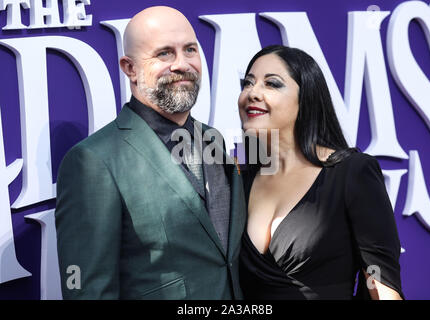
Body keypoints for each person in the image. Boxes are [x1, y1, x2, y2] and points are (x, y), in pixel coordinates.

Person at [55, 6, 245, 300]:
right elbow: (86, 289)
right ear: (129, 68)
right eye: (164, 53)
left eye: (190, 50)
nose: (183, 64)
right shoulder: (93, 162)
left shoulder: (213, 139)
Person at [237, 45, 404, 300]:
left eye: (271, 84)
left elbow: (381, 286)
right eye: (247, 83)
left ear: (306, 98)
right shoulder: (239, 184)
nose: (253, 93)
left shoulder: (352, 172)